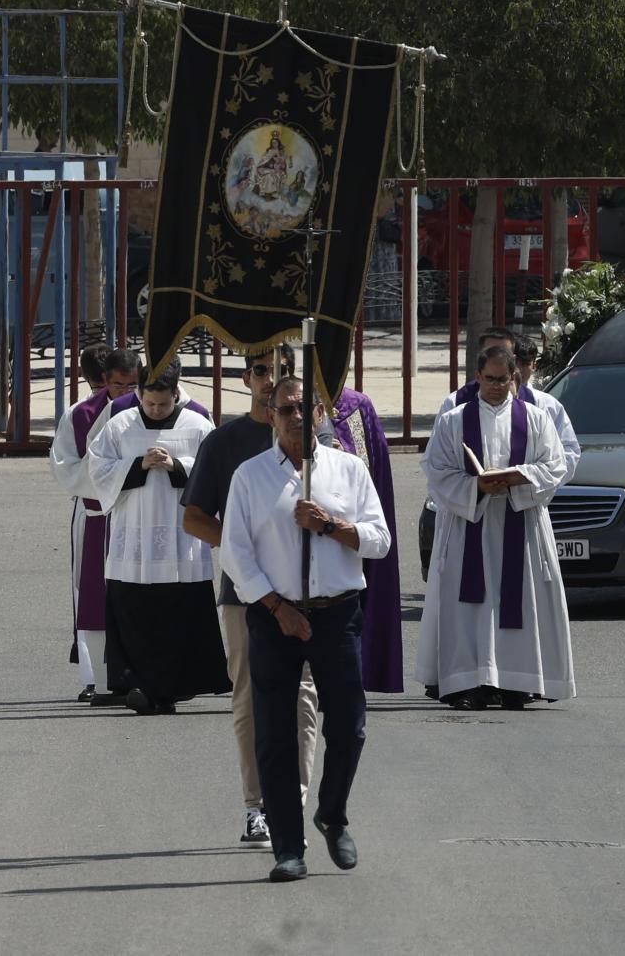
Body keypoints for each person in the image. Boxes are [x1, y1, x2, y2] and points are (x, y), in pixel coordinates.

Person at [220, 376, 392, 883]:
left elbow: (378, 540)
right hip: (276, 616)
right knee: (274, 734)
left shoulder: (347, 469)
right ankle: (287, 847)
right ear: (270, 415)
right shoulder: (250, 477)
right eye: (284, 409)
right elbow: (235, 551)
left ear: (320, 413)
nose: (295, 416)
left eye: (303, 408)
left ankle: (332, 812)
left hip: (336, 612)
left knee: (350, 725)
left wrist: (331, 527)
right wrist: (276, 606)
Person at [181, 345, 320, 850]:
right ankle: (257, 806)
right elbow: (193, 516)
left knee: (304, 696)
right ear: (247, 378)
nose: (271, 380)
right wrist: (241, 549)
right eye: (263, 371)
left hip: (307, 594)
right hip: (244, 596)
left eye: (282, 372)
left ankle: (294, 803)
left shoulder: (315, 440)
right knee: (251, 697)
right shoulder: (226, 442)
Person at [417, 346, 576, 711]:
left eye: (502, 380)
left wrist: (518, 479)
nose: (495, 386)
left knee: (519, 601)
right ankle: (470, 682)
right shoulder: (454, 420)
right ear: (477, 378)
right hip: (471, 524)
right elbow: (437, 471)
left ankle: (518, 682)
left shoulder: (536, 419)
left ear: (513, 379)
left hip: (521, 523)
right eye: (488, 379)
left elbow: (555, 466)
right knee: (472, 606)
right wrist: (476, 487)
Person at [88, 360, 229, 715]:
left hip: (182, 542)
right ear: (139, 394)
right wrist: (136, 465)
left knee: (179, 612)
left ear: (175, 393)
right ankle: (141, 683)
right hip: (132, 542)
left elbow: (216, 473)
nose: (154, 409)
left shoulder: (197, 425)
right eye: (149, 403)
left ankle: (174, 685)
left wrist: (178, 465)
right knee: (135, 612)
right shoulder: (121, 425)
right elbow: (98, 469)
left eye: (162, 404)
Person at [48, 346, 138, 704]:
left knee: (139, 595)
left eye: (133, 385)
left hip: (141, 518)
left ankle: (139, 671)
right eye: (119, 386)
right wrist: (112, 480)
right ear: (105, 381)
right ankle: (97, 677)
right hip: (98, 515)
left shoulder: (157, 409)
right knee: (92, 596)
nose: (127, 394)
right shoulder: (81, 414)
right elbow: (65, 468)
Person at [323, 385, 404, 694]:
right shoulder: (291, 399)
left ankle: (353, 674)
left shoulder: (356, 405)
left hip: (346, 528)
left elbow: (373, 471)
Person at [512, 334, 581, 482]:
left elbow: (569, 453)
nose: (518, 368)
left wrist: (535, 480)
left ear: (534, 366)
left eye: (524, 363)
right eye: (514, 361)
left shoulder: (548, 405)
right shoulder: (478, 402)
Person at [434, 325, 517, 428]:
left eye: (503, 353)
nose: (497, 359)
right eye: (490, 353)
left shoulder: (535, 403)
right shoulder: (454, 403)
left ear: (513, 359)